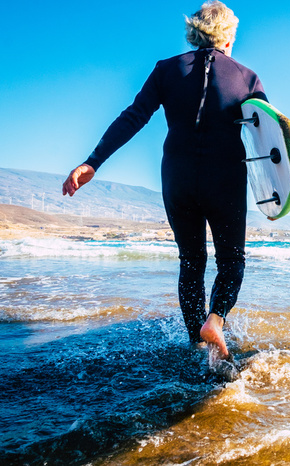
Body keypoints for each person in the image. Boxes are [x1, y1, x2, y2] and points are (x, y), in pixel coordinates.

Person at [62, 1, 266, 361]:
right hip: (225, 178)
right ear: (229, 37)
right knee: (232, 260)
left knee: (191, 260)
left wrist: (93, 161)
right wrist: (276, 196)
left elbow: (134, 116)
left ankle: (195, 345)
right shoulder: (247, 78)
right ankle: (215, 321)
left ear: (194, 32)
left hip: (178, 178)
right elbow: (269, 142)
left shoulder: (166, 70)